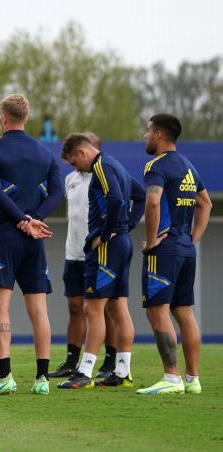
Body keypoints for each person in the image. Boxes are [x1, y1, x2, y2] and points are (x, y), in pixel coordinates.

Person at [0, 94, 64, 396]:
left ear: (3, 117)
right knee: (39, 310)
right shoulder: (44, 152)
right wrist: (35, 219)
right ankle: (42, 380)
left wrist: (22, 220)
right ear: (26, 118)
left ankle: (4, 376)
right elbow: (57, 193)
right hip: (34, 241)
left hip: (3, 238)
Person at [57, 133, 144, 389]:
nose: (76, 168)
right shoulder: (116, 165)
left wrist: (105, 234)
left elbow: (117, 199)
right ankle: (122, 371)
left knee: (92, 309)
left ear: (83, 152)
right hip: (122, 244)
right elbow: (138, 195)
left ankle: (84, 372)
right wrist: (125, 227)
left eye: (74, 162)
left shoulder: (102, 167)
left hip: (107, 247)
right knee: (118, 308)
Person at [137, 114, 211, 395]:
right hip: (185, 250)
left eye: (147, 131)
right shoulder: (188, 165)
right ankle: (193, 379)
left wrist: (153, 239)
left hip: (164, 252)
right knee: (185, 313)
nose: (144, 136)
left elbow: (153, 200)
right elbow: (205, 204)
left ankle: (171, 378)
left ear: (158, 134)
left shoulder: (156, 165)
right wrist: (194, 238)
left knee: (157, 312)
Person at [50, 132, 119, 380]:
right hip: (73, 252)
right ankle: (71, 360)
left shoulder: (107, 175)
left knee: (106, 307)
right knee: (75, 307)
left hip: (98, 253)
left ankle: (110, 360)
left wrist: (115, 232)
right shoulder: (70, 178)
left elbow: (128, 200)